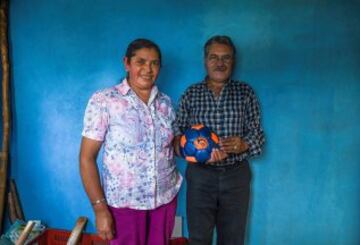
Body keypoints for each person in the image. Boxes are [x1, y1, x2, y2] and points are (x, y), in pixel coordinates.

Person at [80, 39, 182, 245]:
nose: (148, 69)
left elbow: (174, 146)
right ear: (127, 63)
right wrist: (99, 208)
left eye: (154, 63)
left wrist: (201, 147)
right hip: (124, 205)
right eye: (141, 62)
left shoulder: (167, 103)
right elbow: (86, 158)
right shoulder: (105, 100)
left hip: (164, 200)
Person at [174, 35, 265, 245]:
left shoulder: (245, 92)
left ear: (233, 61)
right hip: (200, 176)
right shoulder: (191, 93)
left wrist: (244, 144)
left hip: (236, 176)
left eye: (226, 58)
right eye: (214, 57)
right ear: (205, 61)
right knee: (198, 238)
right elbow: (176, 135)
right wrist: (194, 151)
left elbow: (258, 136)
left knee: (233, 239)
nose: (220, 63)